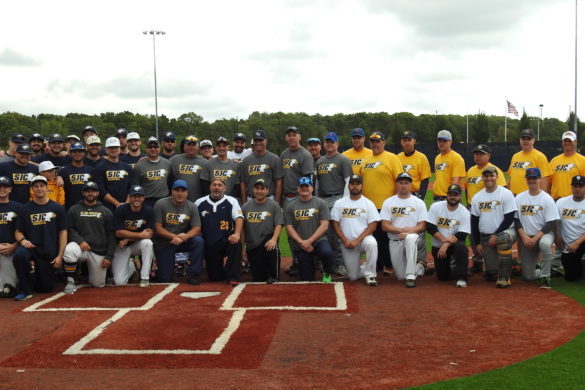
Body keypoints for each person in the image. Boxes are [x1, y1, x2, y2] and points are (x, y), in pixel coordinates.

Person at [12, 175, 67, 300]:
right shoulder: (24, 208)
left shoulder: (57, 208)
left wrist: (60, 256)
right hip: (30, 248)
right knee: (19, 256)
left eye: (42, 186)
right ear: (32, 189)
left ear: (47, 188)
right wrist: (23, 240)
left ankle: (33, 275)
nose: (39, 189)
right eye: (36, 186)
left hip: (47, 251)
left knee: (45, 289)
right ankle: (24, 289)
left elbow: (63, 232)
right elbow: (18, 232)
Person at [359, 131, 403, 273]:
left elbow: (400, 180)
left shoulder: (392, 158)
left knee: (386, 238)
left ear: (384, 142)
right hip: (369, 207)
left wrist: (397, 202)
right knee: (373, 238)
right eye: (372, 141)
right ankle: (376, 265)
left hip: (386, 206)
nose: (375, 144)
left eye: (378, 141)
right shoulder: (365, 160)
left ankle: (389, 265)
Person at [61, 181, 116, 293]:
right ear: (83, 193)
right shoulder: (74, 209)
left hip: (99, 251)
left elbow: (112, 235)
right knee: (70, 250)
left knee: (97, 284)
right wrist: (80, 241)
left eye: (93, 191)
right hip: (80, 247)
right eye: (87, 191)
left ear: (98, 193)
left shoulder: (106, 211)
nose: (90, 193)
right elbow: (69, 229)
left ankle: (130, 266)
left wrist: (109, 257)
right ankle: (70, 281)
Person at [470, 166, 518, 288]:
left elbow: (509, 218)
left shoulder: (505, 193)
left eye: (491, 175)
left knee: (502, 239)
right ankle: (512, 264)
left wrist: (495, 235)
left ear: (497, 177)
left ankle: (504, 277)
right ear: (482, 178)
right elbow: (474, 222)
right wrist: (478, 244)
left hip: (506, 232)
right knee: (491, 273)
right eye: (486, 176)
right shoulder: (477, 197)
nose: (489, 178)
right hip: (486, 237)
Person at [464, 143, 507, 273]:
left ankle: (499, 260)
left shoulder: (494, 170)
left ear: (488, 155)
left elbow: (503, 191)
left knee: (489, 235)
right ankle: (477, 261)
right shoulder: (471, 170)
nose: (478, 156)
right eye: (476, 154)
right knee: (473, 236)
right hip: (472, 208)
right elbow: (467, 189)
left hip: (488, 209)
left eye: (481, 154)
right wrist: (468, 203)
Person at [331, 174, 380, 286]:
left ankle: (370, 274)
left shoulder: (368, 203)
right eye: (352, 184)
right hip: (347, 243)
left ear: (362, 186)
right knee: (353, 277)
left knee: (372, 243)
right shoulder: (340, 203)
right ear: (348, 186)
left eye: (358, 184)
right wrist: (345, 241)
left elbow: (373, 226)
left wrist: (357, 241)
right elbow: (335, 224)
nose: (355, 186)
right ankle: (362, 268)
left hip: (363, 241)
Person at [380, 172, 427, 288]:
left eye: (406, 183)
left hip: (414, 237)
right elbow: (384, 226)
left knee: (410, 239)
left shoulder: (419, 202)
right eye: (401, 183)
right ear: (397, 184)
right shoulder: (388, 202)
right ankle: (419, 268)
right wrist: (401, 231)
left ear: (411, 185)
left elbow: (423, 225)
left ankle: (411, 276)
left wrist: (408, 233)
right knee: (401, 276)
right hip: (395, 240)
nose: (403, 186)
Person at [548, 130, 585, 276]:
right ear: (562, 142)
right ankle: (557, 263)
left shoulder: (581, 160)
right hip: (559, 201)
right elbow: (550, 182)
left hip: (578, 200)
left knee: (578, 231)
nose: (568, 143)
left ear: (575, 142)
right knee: (560, 235)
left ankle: (580, 258)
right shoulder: (555, 160)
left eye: (570, 140)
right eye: (565, 141)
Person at [514, 168, 559, 289]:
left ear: (539, 179)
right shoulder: (519, 197)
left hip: (544, 235)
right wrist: (524, 236)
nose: (532, 180)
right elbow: (516, 220)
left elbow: (550, 222)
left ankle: (545, 276)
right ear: (526, 180)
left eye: (534, 178)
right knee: (528, 277)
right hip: (526, 238)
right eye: (529, 178)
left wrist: (535, 238)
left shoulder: (546, 198)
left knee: (545, 245)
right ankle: (547, 268)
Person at [284, 177, 335, 282]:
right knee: (307, 278)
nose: (304, 188)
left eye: (306, 186)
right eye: (301, 186)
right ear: (297, 189)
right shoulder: (290, 206)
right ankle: (311, 263)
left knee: (327, 253)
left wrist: (310, 241)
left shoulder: (320, 203)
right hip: (301, 243)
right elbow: (289, 227)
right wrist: (302, 242)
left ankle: (326, 272)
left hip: (318, 240)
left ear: (312, 188)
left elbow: (324, 225)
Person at [315, 131, 352, 275]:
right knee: (324, 233)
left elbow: (348, 182)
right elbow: (317, 183)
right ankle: (326, 263)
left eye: (332, 141)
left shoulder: (343, 160)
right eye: (327, 141)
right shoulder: (320, 161)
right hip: (322, 199)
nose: (329, 144)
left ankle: (340, 263)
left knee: (337, 233)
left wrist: (344, 202)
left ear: (337, 144)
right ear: (324, 144)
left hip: (337, 198)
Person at [153, 180, 204, 284]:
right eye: (177, 190)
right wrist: (173, 236)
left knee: (198, 241)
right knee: (165, 280)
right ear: (172, 191)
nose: (180, 193)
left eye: (183, 191)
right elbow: (157, 228)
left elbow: (197, 228)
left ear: (187, 193)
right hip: (165, 242)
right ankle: (160, 270)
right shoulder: (160, 204)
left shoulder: (192, 206)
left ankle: (193, 274)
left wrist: (186, 236)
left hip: (182, 241)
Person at [195, 178, 244, 286]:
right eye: (214, 185)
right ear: (210, 187)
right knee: (215, 278)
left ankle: (233, 276)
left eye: (220, 185)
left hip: (225, 240)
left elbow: (239, 218)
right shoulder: (199, 202)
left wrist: (236, 233)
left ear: (224, 188)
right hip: (209, 244)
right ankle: (224, 269)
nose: (217, 187)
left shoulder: (232, 201)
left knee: (236, 244)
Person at [425, 184, 470, 287]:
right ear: (447, 195)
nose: (452, 197)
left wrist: (446, 244)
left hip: (455, 245)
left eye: (455, 195)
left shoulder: (464, 212)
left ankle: (461, 277)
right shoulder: (436, 206)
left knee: (461, 247)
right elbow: (430, 226)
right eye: (450, 194)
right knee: (442, 277)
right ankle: (457, 269)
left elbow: (462, 234)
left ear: (460, 197)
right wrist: (444, 241)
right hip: (438, 245)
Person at [241, 179, 283, 283]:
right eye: (257, 188)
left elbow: (278, 225)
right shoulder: (245, 207)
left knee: (272, 247)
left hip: (267, 241)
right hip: (253, 245)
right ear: (253, 190)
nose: (259, 191)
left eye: (262, 189)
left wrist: (274, 239)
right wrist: (243, 248)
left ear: (267, 191)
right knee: (258, 278)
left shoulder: (274, 205)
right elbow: (242, 229)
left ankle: (273, 276)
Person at [112, 185, 155, 287]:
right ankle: (132, 267)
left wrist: (128, 238)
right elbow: (118, 233)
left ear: (143, 198)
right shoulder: (121, 209)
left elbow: (148, 234)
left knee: (147, 243)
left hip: (137, 245)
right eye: (134, 196)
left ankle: (145, 278)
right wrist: (140, 234)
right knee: (119, 282)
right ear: (130, 197)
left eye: (139, 196)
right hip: (121, 246)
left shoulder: (149, 210)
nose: (137, 199)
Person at [555, 175, 585, 282]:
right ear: (571, 187)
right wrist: (556, 239)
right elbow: (554, 222)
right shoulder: (561, 202)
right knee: (571, 277)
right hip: (568, 246)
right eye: (575, 186)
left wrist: (577, 243)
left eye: (581, 186)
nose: (577, 189)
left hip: (582, 240)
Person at [240, 130, 283, 204]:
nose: (258, 142)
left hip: (269, 198)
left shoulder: (274, 158)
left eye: (261, 140)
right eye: (256, 140)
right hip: (251, 199)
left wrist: (277, 203)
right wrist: (244, 203)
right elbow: (243, 183)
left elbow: (279, 183)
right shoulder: (246, 160)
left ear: (266, 141)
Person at [93, 137, 133, 212]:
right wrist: (117, 204)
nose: (114, 150)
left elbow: (131, 188)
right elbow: (101, 190)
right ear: (106, 150)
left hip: (126, 207)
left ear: (120, 149)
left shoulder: (127, 167)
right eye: (111, 148)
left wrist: (126, 204)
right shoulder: (99, 168)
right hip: (106, 208)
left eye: (116, 147)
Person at [507, 128, 552, 196]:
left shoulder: (540, 156)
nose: (525, 141)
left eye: (528, 139)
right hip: (514, 196)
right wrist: (508, 193)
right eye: (523, 138)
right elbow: (511, 177)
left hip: (530, 196)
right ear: (520, 140)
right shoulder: (515, 156)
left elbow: (544, 179)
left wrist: (542, 197)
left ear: (533, 140)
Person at [132, 137, 170, 207]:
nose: (153, 149)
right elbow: (136, 187)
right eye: (150, 147)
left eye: (155, 147)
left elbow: (170, 181)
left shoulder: (167, 163)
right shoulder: (138, 166)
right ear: (146, 149)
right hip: (146, 201)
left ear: (159, 148)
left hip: (164, 200)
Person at [0, 176, 22, 298]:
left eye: (5, 186)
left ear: (10, 189)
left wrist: (14, 245)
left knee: (8, 289)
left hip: (11, 250)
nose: (2, 189)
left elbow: (24, 231)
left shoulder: (18, 207)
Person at [280, 126, 314, 206]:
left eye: (294, 135)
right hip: (286, 197)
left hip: (300, 196)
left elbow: (308, 179)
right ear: (286, 138)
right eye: (289, 135)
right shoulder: (283, 154)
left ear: (299, 137)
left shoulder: (305, 155)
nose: (291, 138)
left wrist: (305, 197)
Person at [169, 135, 210, 202]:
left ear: (198, 147)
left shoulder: (205, 163)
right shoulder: (174, 160)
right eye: (189, 144)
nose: (191, 147)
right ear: (184, 146)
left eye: (193, 145)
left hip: (198, 201)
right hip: (177, 202)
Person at [59, 142, 94, 210]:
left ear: (84, 153)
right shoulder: (64, 171)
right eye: (74, 152)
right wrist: (58, 176)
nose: (77, 154)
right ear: (70, 153)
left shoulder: (91, 170)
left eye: (80, 151)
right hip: (70, 207)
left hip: (88, 207)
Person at [397, 131, 431, 201]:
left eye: (409, 140)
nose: (407, 143)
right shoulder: (397, 158)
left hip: (415, 195)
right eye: (404, 141)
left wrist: (421, 197)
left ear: (414, 141)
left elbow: (425, 180)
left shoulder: (421, 157)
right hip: (400, 195)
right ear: (401, 142)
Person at [433, 130, 465, 201]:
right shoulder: (437, 158)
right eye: (439, 141)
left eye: (444, 141)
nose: (441, 143)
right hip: (437, 197)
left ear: (450, 142)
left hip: (450, 197)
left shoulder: (456, 158)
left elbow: (455, 180)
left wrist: (451, 196)